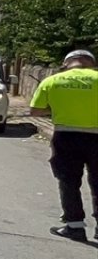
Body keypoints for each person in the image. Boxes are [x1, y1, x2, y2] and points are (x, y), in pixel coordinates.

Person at [30, 49, 98, 243]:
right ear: (91, 63)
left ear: (67, 63)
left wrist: (58, 108)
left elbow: (35, 110)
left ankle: (74, 227)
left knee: (68, 181)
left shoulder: (53, 81)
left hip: (66, 137)